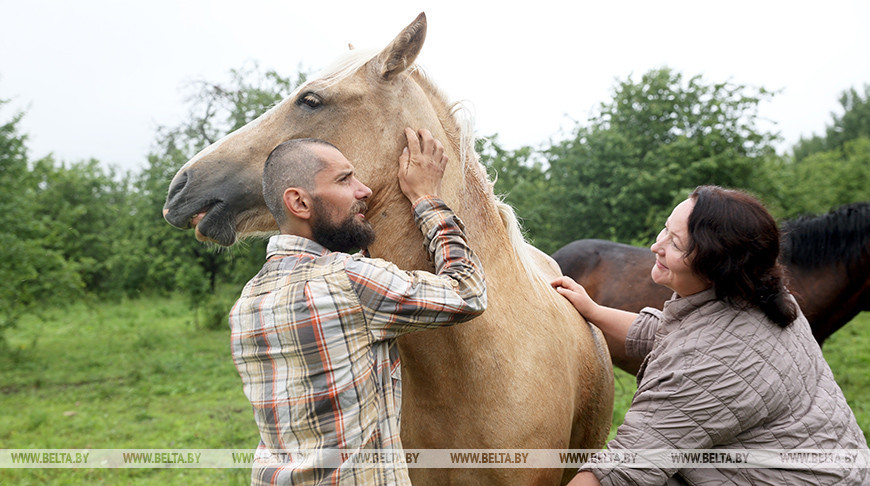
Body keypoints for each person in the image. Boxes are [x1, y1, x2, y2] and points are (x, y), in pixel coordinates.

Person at [551, 185, 868, 485]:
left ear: (714, 267)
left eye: (675, 243)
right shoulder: (759, 297)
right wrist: (592, 310)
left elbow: (622, 469)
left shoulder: (706, 367)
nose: (655, 246)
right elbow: (669, 333)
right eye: (665, 229)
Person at [229, 128, 487, 485]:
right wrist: (428, 198)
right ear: (299, 203)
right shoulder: (350, 283)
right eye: (345, 179)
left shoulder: (248, 299)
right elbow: (468, 291)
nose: (363, 190)